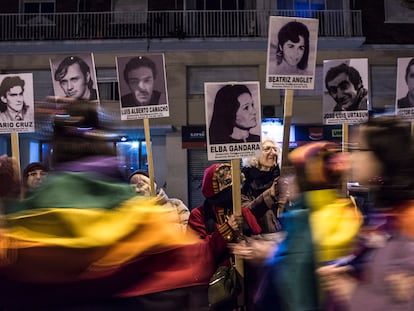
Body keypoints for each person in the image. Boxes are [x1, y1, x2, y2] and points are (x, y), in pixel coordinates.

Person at [231, 141, 362, 311]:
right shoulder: (347, 211)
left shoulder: (304, 218)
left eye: (295, 173)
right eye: (266, 149)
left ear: (304, 178)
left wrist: (271, 255)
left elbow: (294, 275)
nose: (289, 179)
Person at [317, 116, 414, 310]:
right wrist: (352, 269)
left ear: (384, 156)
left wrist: (353, 292)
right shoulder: (387, 213)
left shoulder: (408, 220)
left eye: (359, 149)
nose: (350, 157)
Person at [188, 163, 262, 311]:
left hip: (249, 287)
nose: (231, 188)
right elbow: (197, 254)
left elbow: (259, 241)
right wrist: (226, 230)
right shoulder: (199, 215)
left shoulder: (244, 212)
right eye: (227, 183)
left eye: (234, 182)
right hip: (218, 290)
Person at [241, 138, 283, 234]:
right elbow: (246, 213)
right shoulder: (244, 180)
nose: (273, 153)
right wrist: (270, 195)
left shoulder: (282, 179)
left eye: (275, 149)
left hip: (281, 240)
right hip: (255, 240)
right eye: (267, 149)